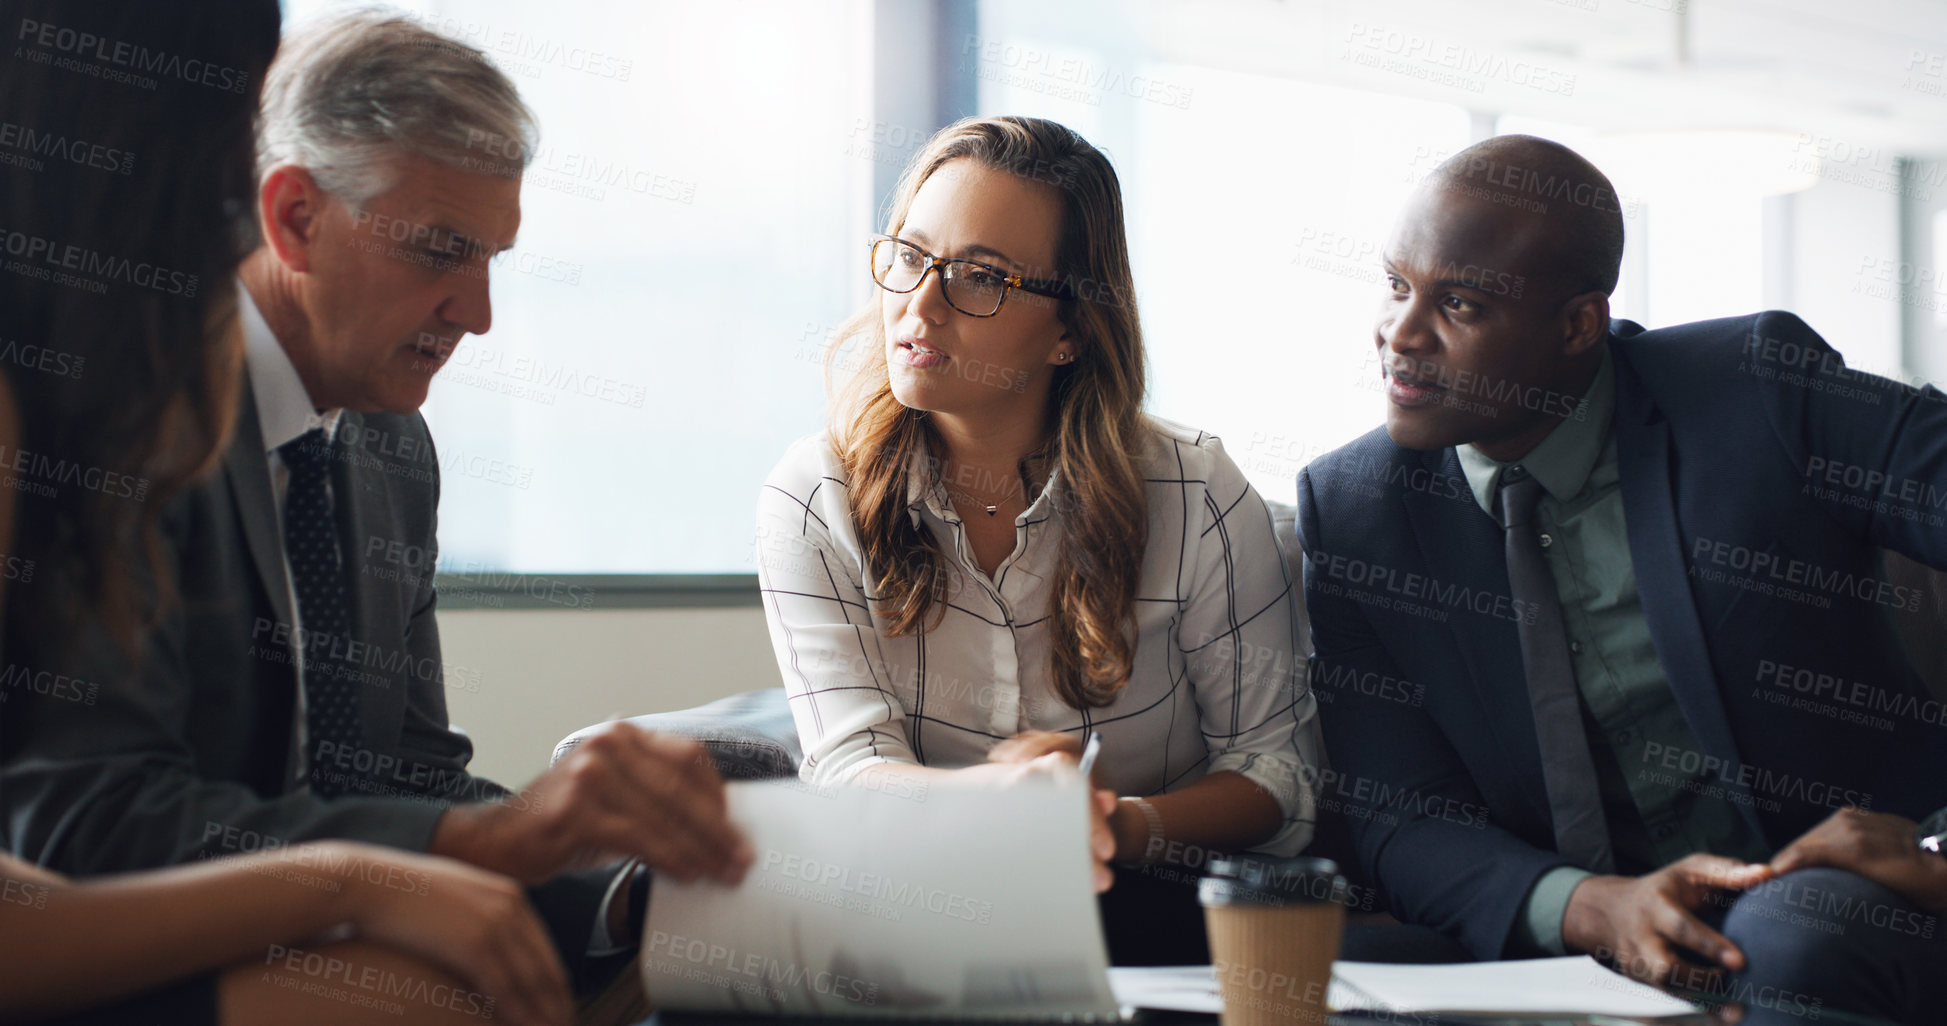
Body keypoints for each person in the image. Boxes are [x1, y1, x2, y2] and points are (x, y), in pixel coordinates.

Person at [0, 9, 749, 1005]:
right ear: (295, 217)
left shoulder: (392, 447)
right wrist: (447, 855)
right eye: (440, 252)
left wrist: (627, 895)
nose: (477, 315)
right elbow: (87, 823)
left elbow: (408, 780)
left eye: (492, 258)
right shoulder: (131, 414)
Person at [1298, 133, 1947, 1021]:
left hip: (1819, 901)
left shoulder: (1758, 389)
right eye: (1396, 285)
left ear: (1577, 324)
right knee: (1327, 970)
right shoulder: (1353, 509)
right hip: (1578, 919)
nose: (1399, 334)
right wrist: (1589, 906)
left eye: (1458, 305)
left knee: (1792, 937)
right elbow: (1400, 814)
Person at [756, 115, 1321, 965]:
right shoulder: (814, 494)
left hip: (1143, 909)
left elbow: (1277, 771)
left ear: (1071, 329)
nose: (920, 304)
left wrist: (1114, 825)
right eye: (908, 256)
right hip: (920, 905)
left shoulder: (1194, 489)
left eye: (981, 277)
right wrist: (998, 803)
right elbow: (845, 771)